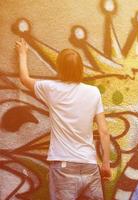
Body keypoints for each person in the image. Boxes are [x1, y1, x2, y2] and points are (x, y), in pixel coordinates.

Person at [15, 38, 111, 200]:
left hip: (63, 166)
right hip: (89, 164)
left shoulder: (51, 88)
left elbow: (24, 79)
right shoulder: (93, 92)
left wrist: (22, 54)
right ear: (81, 68)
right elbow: (104, 131)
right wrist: (106, 164)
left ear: (59, 67)